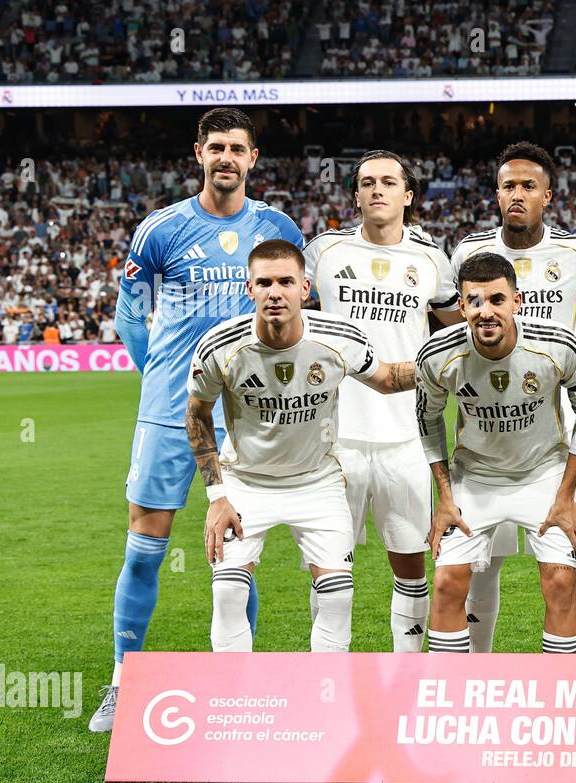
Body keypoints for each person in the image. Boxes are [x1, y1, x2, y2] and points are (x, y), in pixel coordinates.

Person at [90, 108, 303, 733]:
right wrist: (166, 380)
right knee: (145, 548)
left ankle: (240, 681)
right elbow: (132, 317)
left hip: (246, 416)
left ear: (253, 158)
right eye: (216, 147)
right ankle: (123, 680)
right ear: (199, 153)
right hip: (168, 413)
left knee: (239, 547)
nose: (226, 158)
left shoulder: (276, 225)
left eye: (237, 148)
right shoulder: (162, 229)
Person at [186, 240, 421, 653]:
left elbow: (386, 379)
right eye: (265, 283)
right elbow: (196, 414)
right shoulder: (219, 347)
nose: (275, 292)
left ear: (305, 288)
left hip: (317, 484)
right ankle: (232, 704)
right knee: (227, 593)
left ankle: (325, 699)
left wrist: (443, 364)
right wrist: (216, 496)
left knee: (336, 595)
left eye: (285, 282)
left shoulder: (339, 338)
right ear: (249, 289)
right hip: (245, 485)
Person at [449, 142, 576, 652]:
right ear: (497, 194)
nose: (517, 195)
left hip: (556, 434)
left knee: (561, 564)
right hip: (487, 429)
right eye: (508, 186)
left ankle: (561, 687)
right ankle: (477, 673)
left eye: (528, 186)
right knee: (481, 565)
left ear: (548, 194)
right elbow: (459, 327)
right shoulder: (468, 253)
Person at [303, 149, 462, 652]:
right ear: (355, 195)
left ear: (408, 195)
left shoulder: (430, 260)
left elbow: (457, 332)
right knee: (329, 572)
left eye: (389, 182)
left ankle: (407, 671)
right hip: (334, 439)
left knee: (411, 564)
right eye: (367, 182)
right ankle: (330, 678)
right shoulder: (322, 252)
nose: (377, 190)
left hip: (407, 439)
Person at [416, 253, 576, 654]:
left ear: (516, 301)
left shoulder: (559, 345)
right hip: (474, 477)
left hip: (545, 474)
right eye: (475, 301)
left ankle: (560, 698)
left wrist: (567, 494)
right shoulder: (436, 355)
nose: (486, 312)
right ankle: (453, 697)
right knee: (447, 583)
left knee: (560, 581)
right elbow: (428, 421)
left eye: (497, 300)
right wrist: (445, 496)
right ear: (461, 306)